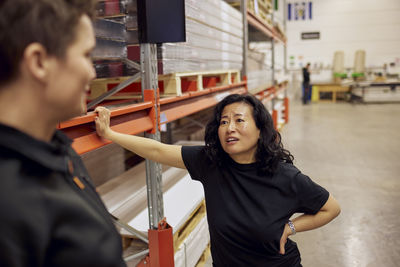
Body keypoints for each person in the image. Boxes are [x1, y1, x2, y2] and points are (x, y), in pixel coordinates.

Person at [95, 94, 341, 266]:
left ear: (260, 130)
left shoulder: (285, 176)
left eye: (239, 120)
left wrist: (291, 227)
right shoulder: (212, 163)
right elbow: (158, 151)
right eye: (224, 121)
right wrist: (109, 133)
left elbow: (331, 208)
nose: (229, 127)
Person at [0, 0, 126, 266]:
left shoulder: (58, 150)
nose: (93, 72)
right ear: (39, 61)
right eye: (86, 55)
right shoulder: (9, 200)